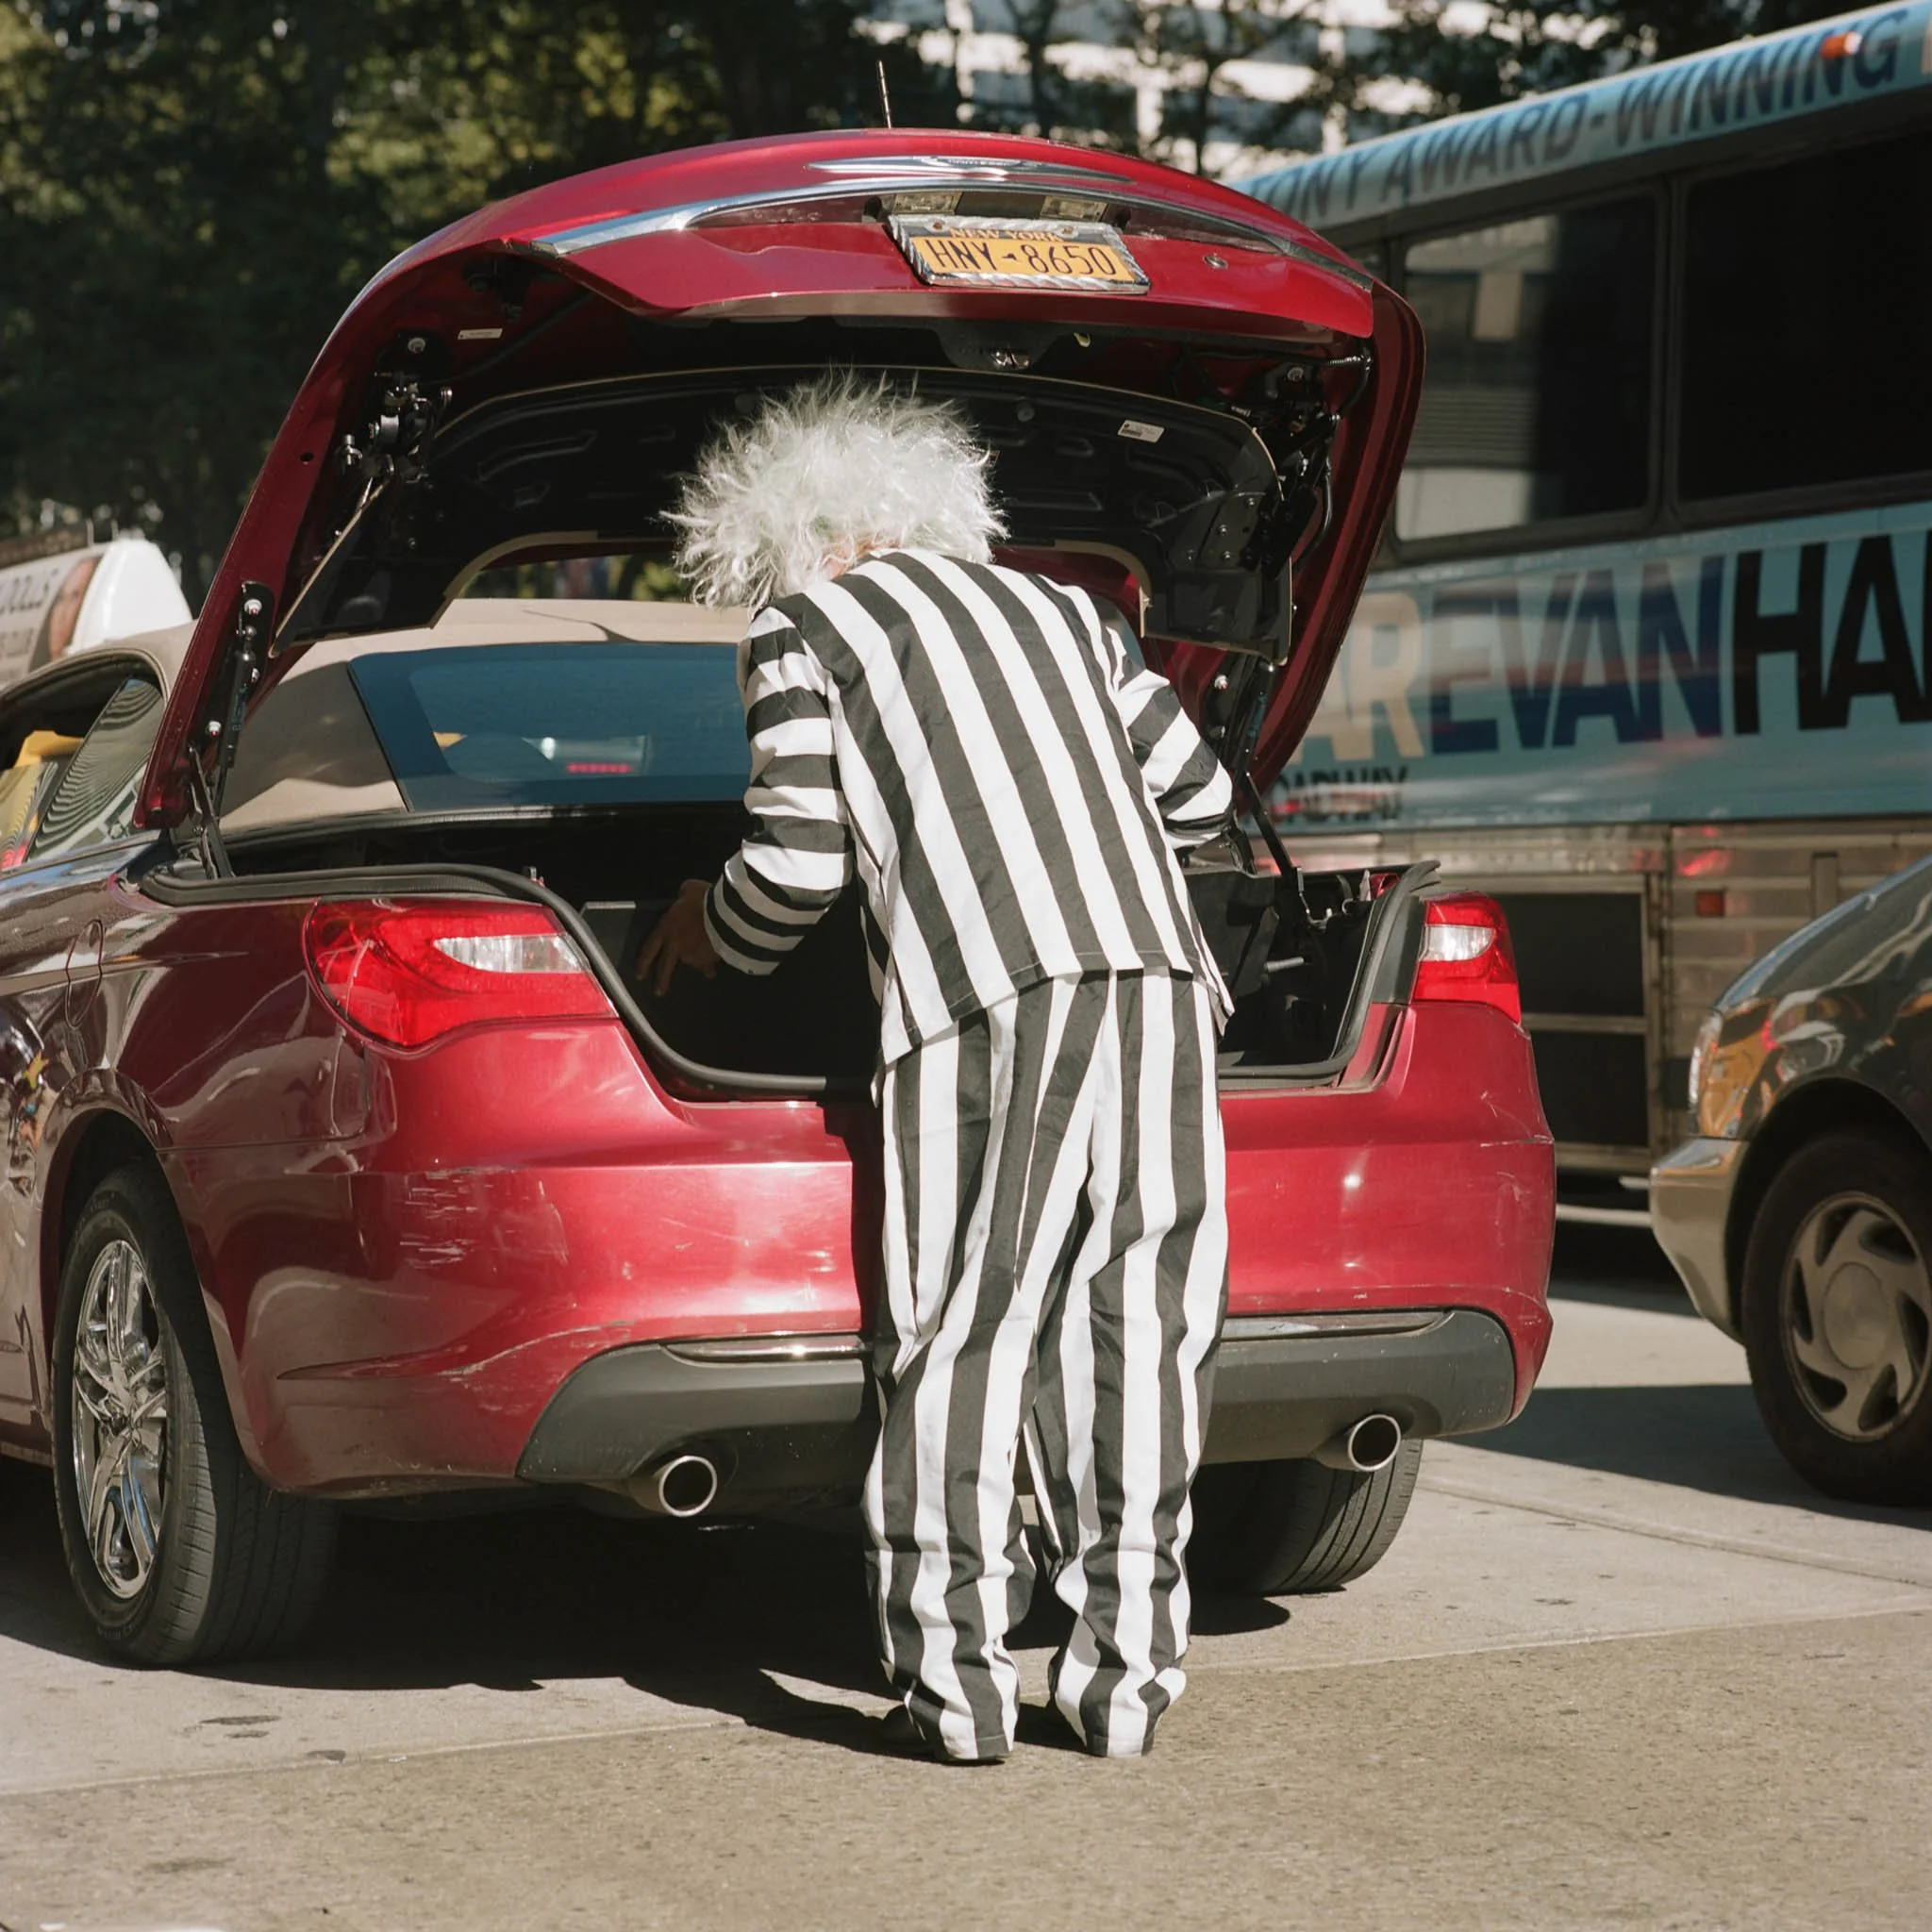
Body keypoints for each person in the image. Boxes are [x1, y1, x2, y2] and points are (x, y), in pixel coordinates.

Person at [639, 374, 1234, 1763]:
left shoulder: (809, 627)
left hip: (986, 1002)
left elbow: (791, 865)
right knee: (1144, 1330)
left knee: (967, 1325)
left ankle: (955, 1688)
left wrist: (706, 934)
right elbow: (1198, 799)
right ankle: (1124, 1686)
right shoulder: (1070, 612)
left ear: (796, 538)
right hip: (1159, 985)